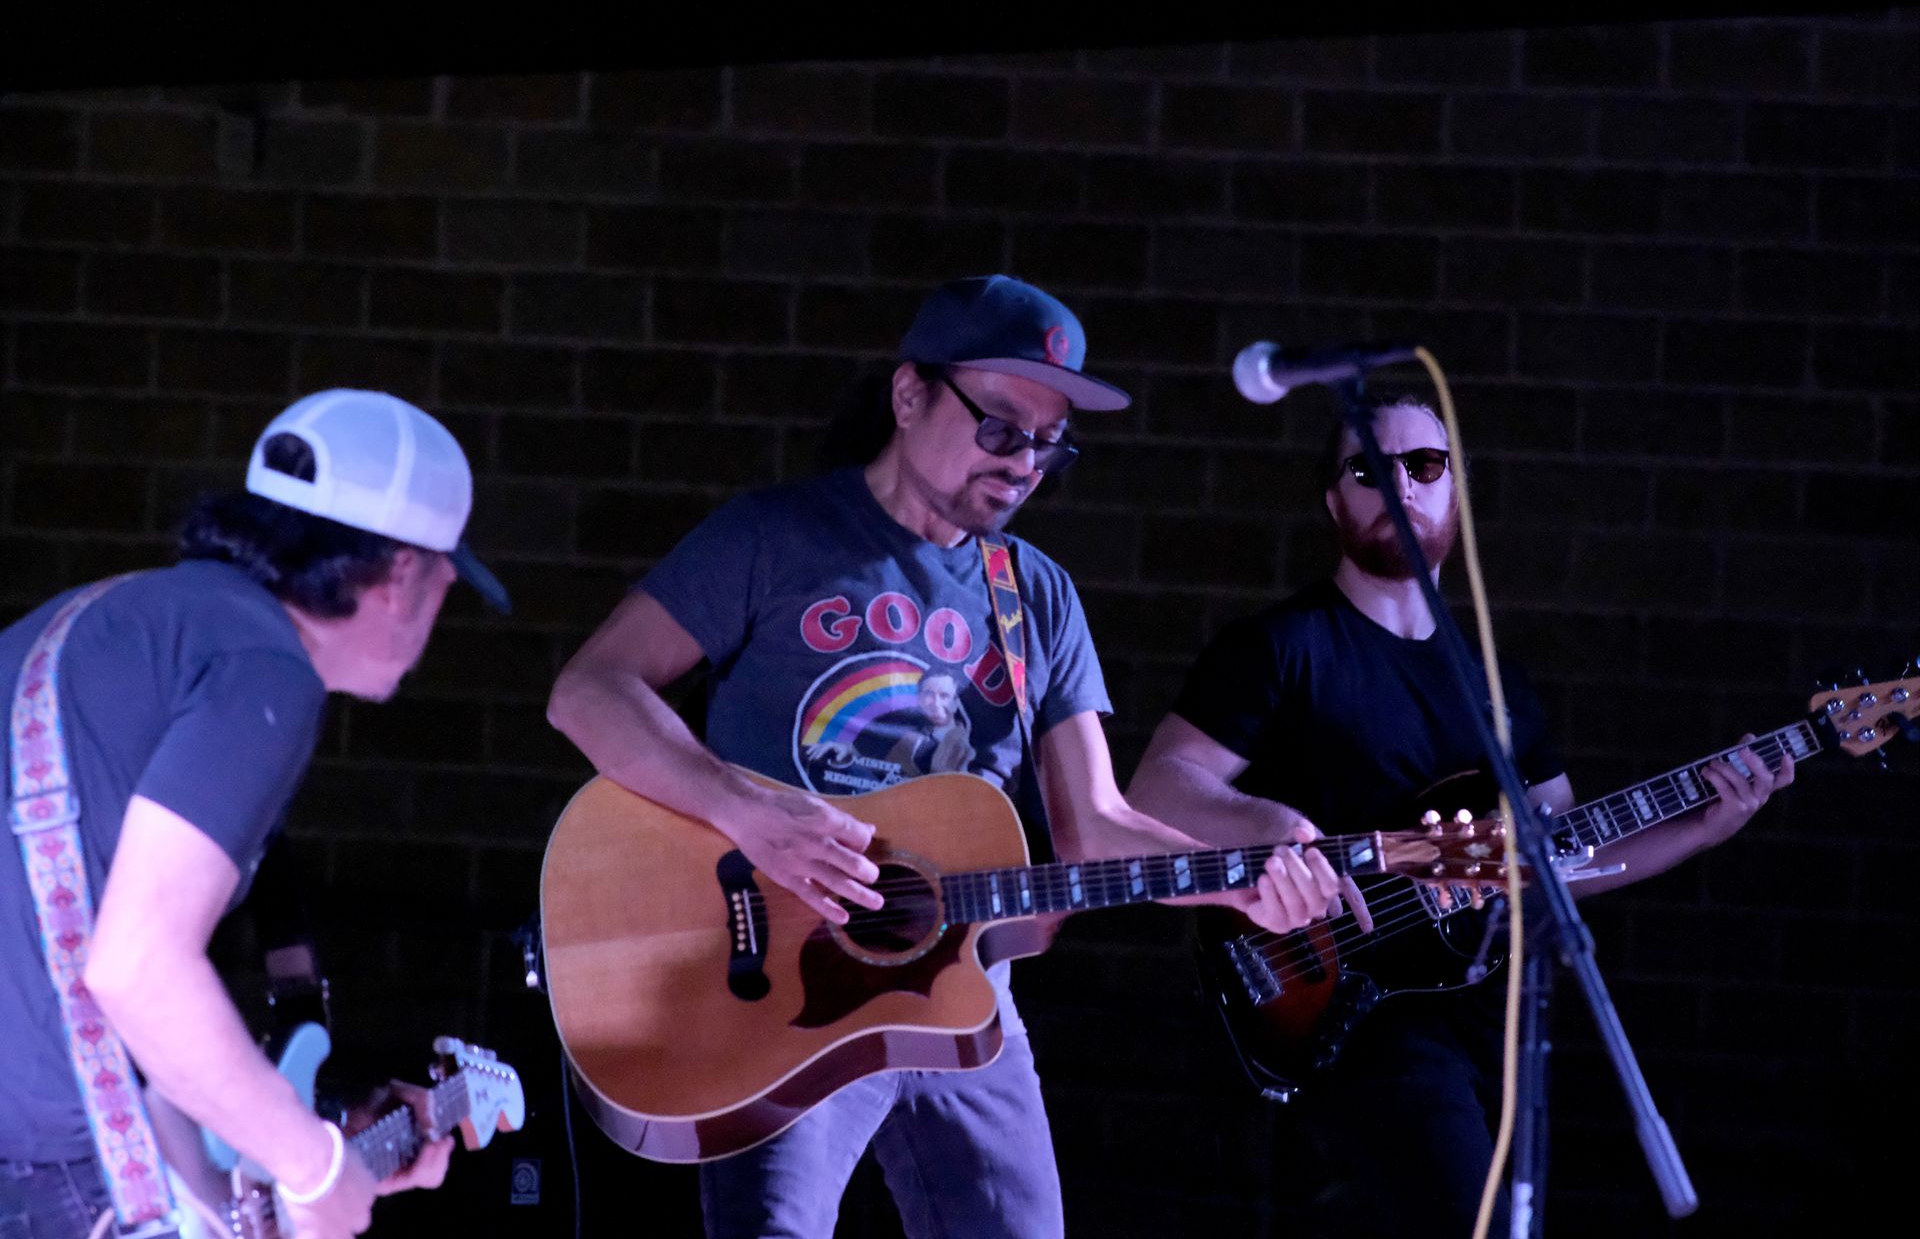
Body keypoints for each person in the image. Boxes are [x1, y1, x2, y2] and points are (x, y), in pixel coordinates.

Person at [546, 274, 1346, 1239]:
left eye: (1051, 446)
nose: (1023, 465)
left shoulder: (1036, 597)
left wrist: (1238, 885)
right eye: (1001, 428)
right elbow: (589, 691)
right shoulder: (775, 538)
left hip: (963, 997)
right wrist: (746, 810)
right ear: (910, 395)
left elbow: (1097, 827)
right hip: (780, 985)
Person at [1125, 394, 1792, 1238]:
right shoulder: (1281, 649)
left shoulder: (1497, 684)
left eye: (1424, 466)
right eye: (1369, 469)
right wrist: (1275, 828)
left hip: (1490, 1017)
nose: (1399, 487)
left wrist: (1702, 826)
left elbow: (1558, 860)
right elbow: (1154, 790)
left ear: (1457, 489)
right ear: (1334, 501)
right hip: (1356, 1012)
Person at [0, 390, 511, 1239]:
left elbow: (125, 1020)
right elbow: (137, 969)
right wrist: (312, 1171)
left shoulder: (106, 623)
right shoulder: (263, 668)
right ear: (401, 573)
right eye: (447, 583)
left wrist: (285, 1162)